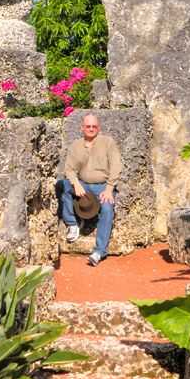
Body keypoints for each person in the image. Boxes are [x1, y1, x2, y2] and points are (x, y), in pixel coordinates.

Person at [60, 114, 122, 266]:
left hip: (102, 185)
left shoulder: (108, 142)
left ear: (98, 127)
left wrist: (109, 188)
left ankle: (99, 251)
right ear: (83, 127)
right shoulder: (76, 145)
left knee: (107, 208)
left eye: (94, 126)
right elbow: (69, 169)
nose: (91, 129)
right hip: (82, 183)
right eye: (88, 126)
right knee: (62, 186)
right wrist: (76, 183)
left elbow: (116, 165)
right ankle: (72, 224)